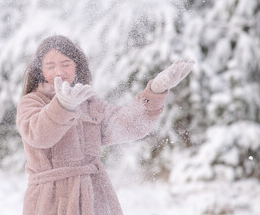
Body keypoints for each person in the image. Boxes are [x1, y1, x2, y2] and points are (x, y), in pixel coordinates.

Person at [16, 35, 194, 215]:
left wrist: (155, 91)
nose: (59, 71)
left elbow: (129, 125)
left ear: (76, 66)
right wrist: (62, 106)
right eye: (50, 66)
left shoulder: (90, 103)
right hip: (51, 201)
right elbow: (38, 135)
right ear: (40, 70)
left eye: (66, 63)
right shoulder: (32, 102)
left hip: (95, 198)